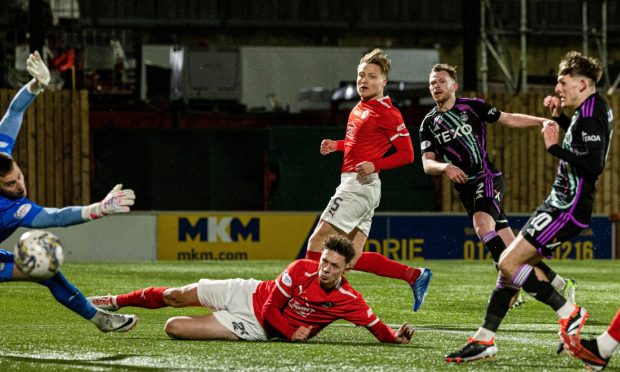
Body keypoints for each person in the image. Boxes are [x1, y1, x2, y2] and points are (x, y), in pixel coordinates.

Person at [445, 51, 613, 363]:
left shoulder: (592, 114)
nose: (558, 89)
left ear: (583, 83)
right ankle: (484, 339)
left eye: (563, 83)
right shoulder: (588, 109)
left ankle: (569, 311)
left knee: (508, 264)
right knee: (510, 270)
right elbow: (585, 145)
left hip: (566, 207)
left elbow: (593, 163)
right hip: (560, 203)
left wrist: (553, 147)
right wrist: (561, 119)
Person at [0, 51, 138, 333]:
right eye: (11, 185)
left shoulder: (1, 154)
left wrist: (35, 86)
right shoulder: (8, 208)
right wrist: (99, 208)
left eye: (19, 177)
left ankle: (101, 319)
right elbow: (56, 217)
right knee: (43, 269)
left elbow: (14, 112)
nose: (20, 186)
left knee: (47, 269)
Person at [420, 63, 576, 308]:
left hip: (487, 177)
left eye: (441, 81)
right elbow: (427, 164)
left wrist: (540, 121)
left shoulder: (472, 106)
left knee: (482, 225)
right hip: (464, 188)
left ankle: (513, 282)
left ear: (454, 86)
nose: (435, 86)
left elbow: (508, 119)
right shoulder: (428, 123)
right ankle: (559, 283)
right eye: (432, 82)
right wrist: (445, 167)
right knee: (514, 246)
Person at [88, 235, 415, 344]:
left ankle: (216, 320)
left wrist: (395, 335)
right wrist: (291, 332)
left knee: (173, 328)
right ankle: (114, 301)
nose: (325, 269)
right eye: (324, 262)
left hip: (254, 327)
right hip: (250, 294)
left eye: (333, 266)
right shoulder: (301, 269)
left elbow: (376, 328)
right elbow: (273, 308)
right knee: (175, 295)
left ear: (346, 269)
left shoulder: (349, 300)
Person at [305, 48, 431, 312]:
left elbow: (408, 155)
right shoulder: (360, 108)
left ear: (383, 82)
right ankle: (414, 275)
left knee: (317, 242)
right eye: (361, 75)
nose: (364, 80)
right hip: (363, 186)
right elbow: (358, 144)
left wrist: (377, 164)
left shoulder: (387, 112)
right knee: (350, 259)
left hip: (358, 186)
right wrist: (337, 145)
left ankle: (304, 301)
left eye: (372, 76)